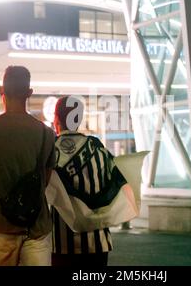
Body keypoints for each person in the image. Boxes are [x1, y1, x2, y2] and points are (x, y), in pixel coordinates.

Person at [0, 66, 56, 266]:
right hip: (37, 224)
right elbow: (46, 177)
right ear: (29, 93)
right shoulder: (46, 133)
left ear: (2, 90)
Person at [51, 96, 121, 267]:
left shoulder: (49, 150)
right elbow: (113, 185)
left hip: (61, 243)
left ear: (56, 119)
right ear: (79, 119)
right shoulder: (97, 147)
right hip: (97, 240)